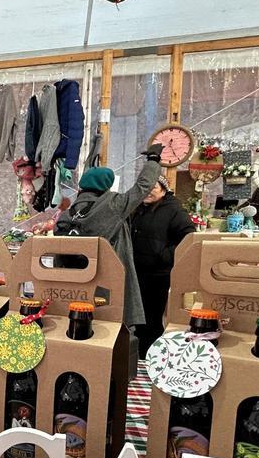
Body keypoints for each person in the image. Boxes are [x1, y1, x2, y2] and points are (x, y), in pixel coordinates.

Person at [53, 143, 164, 328]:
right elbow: (143, 186)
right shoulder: (114, 205)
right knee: (114, 329)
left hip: (74, 288)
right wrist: (153, 160)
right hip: (108, 286)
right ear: (107, 186)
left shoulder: (68, 214)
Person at [130, 175, 196, 358]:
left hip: (158, 274)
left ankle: (151, 357)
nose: (149, 190)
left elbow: (189, 237)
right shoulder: (140, 208)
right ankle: (140, 358)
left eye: (154, 187)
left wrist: (164, 255)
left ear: (164, 189)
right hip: (138, 271)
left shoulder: (174, 209)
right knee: (139, 319)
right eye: (145, 186)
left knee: (151, 319)